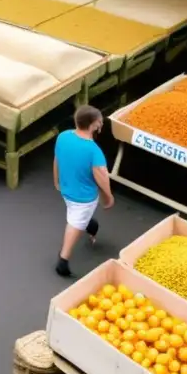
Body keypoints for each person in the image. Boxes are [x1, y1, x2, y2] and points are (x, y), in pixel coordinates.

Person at [54, 105, 115, 278]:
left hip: (66, 189)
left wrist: (56, 180)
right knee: (75, 223)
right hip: (84, 198)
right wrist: (109, 197)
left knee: (77, 215)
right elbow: (102, 177)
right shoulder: (94, 151)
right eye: (100, 123)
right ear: (95, 125)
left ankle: (90, 224)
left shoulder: (63, 136)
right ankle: (63, 260)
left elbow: (57, 159)